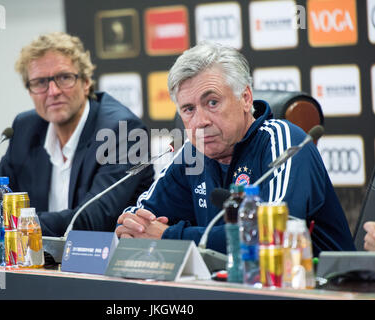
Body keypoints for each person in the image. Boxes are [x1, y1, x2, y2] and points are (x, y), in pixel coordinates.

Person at [115, 42, 356, 257]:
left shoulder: (283, 141)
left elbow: (272, 233)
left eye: (212, 103)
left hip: (325, 289)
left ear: (246, 98)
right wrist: (135, 228)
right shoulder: (192, 155)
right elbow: (137, 219)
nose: (200, 121)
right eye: (188, 109)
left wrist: (171, 237)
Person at [0, 32, 154, 239]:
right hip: (41, 265)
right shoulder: (25, 128)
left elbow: (91, 221)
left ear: (86, 82)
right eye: (40, 82)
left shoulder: (122, 130)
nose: (53, 92)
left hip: (105, 269)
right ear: (29, 90)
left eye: (64, 77)